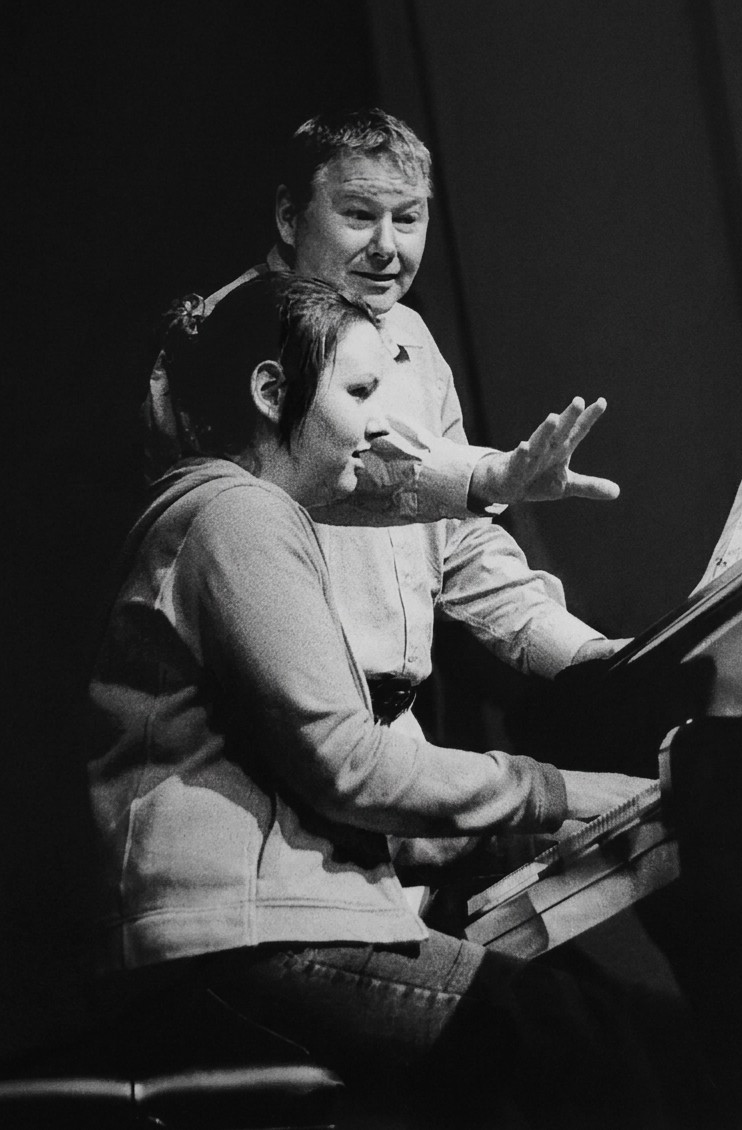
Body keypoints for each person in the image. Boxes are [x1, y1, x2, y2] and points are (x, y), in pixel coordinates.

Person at [84, 272, 675, 1129]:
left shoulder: (228, 511)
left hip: (241, 935)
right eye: (360, 392)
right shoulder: (237, 517)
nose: (376, 424)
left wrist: (497, 829)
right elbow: (351, 764)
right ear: (270, 391)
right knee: (584, 1038)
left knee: (572, 1029)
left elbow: (286, 773)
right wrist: (569, 792)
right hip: (227, 947)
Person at [143, 110, 627, 795]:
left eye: (408, 219)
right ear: (289, 216)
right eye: (359, 215)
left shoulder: (411, 336)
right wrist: (486, 476)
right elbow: (320, 480)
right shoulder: (229, 337)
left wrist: (585, 656)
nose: (386, 247)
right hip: (261, 750)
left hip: (388, 736)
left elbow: (457, 545)